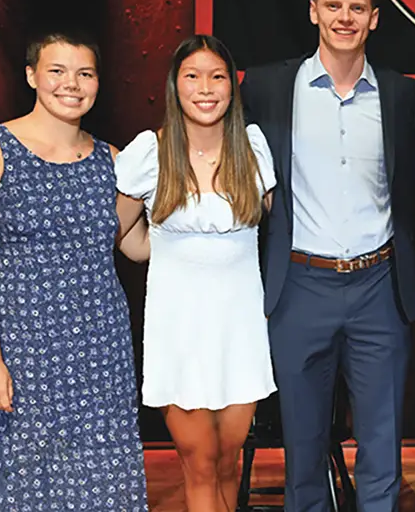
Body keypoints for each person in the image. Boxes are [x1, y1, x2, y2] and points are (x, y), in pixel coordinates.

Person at [241, 0, 415, 511]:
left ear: (374, 19)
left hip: (379, 288)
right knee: (303, 450)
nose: (345, 17)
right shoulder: (270, 87)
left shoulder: (400, 95)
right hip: (299, 286)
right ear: (314, 11)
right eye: (334, 6)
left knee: (382, 452)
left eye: (357, 8)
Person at [0, 32, 149, 510]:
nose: (71, 84)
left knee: (109, 485)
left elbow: (132, 245)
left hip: (102, 354)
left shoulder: (112, 161)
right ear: (32, 76)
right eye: (57, 71)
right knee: (32, 489)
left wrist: (206, 225)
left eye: (85, 73)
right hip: (24, 355)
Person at [114, 34, 277, 512]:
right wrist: (157, 250)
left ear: (232, 86)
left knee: (228, 459)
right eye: (192, 76)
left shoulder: (252, 146)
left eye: (217, 76)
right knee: (199, 460)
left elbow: (267, 218)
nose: (205, 88)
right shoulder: (149, 151)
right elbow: (117, 233)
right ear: (174, 86)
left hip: (239, 330)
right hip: (178, 331)